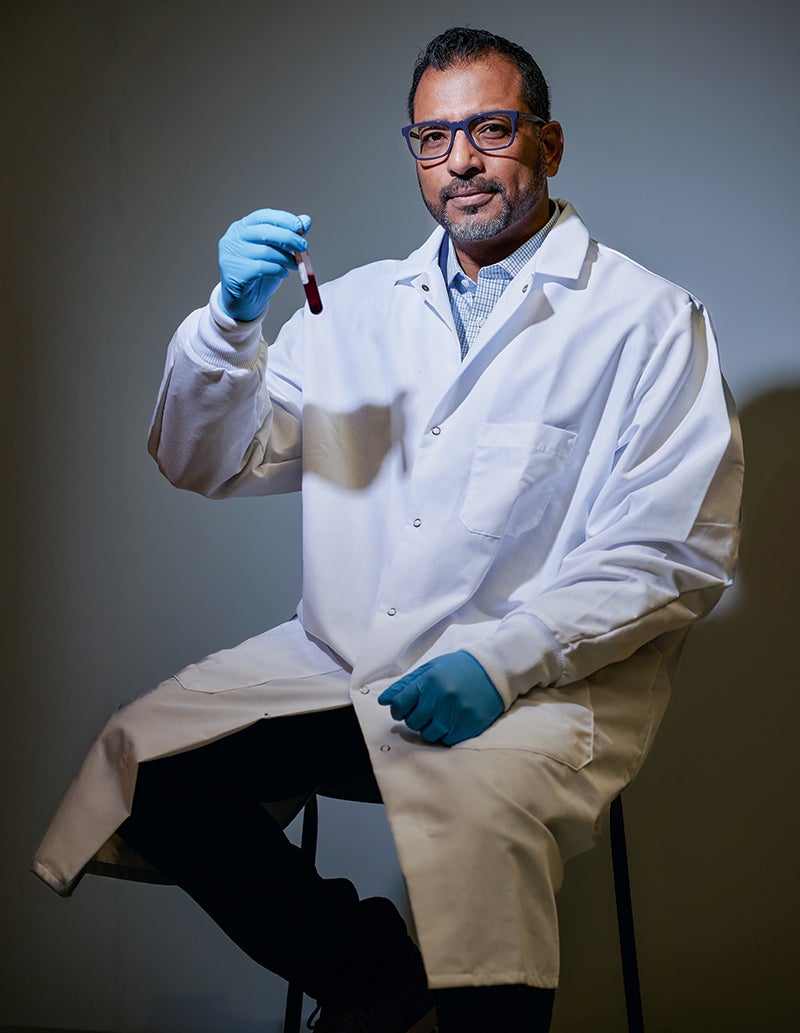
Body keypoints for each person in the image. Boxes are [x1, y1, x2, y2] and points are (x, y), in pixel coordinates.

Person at [32, 26, 743, 1033]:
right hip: (343, 663)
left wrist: (500, 663)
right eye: (431, 136)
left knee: (482, 839)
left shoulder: (644, 320)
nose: (459, 159)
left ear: (547, 143)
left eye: (489, 128)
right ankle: (370, 975)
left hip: (532, 689)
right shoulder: (351, 308)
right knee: (149, 769)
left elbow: (672, 549)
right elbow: (207, 458)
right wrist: (229, 321)